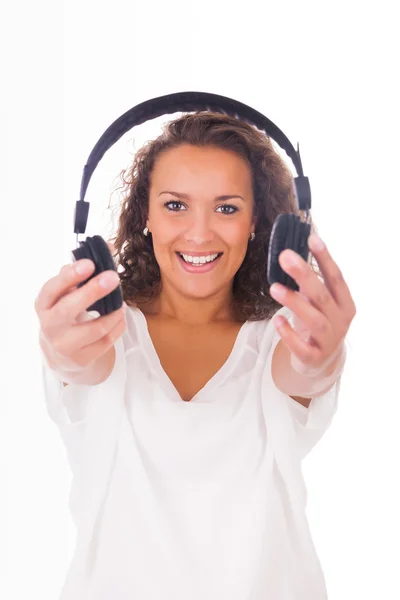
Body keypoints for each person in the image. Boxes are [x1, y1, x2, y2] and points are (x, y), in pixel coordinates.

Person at [35, 111, 356, 600]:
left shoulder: (279, 337)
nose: (200, 233)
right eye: (176, 205)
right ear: (146, 213)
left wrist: (324, 355)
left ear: (256, 222)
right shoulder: (105, 332)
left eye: (226, 208)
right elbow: (82, 365)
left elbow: (305, 371)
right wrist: (61, 352)